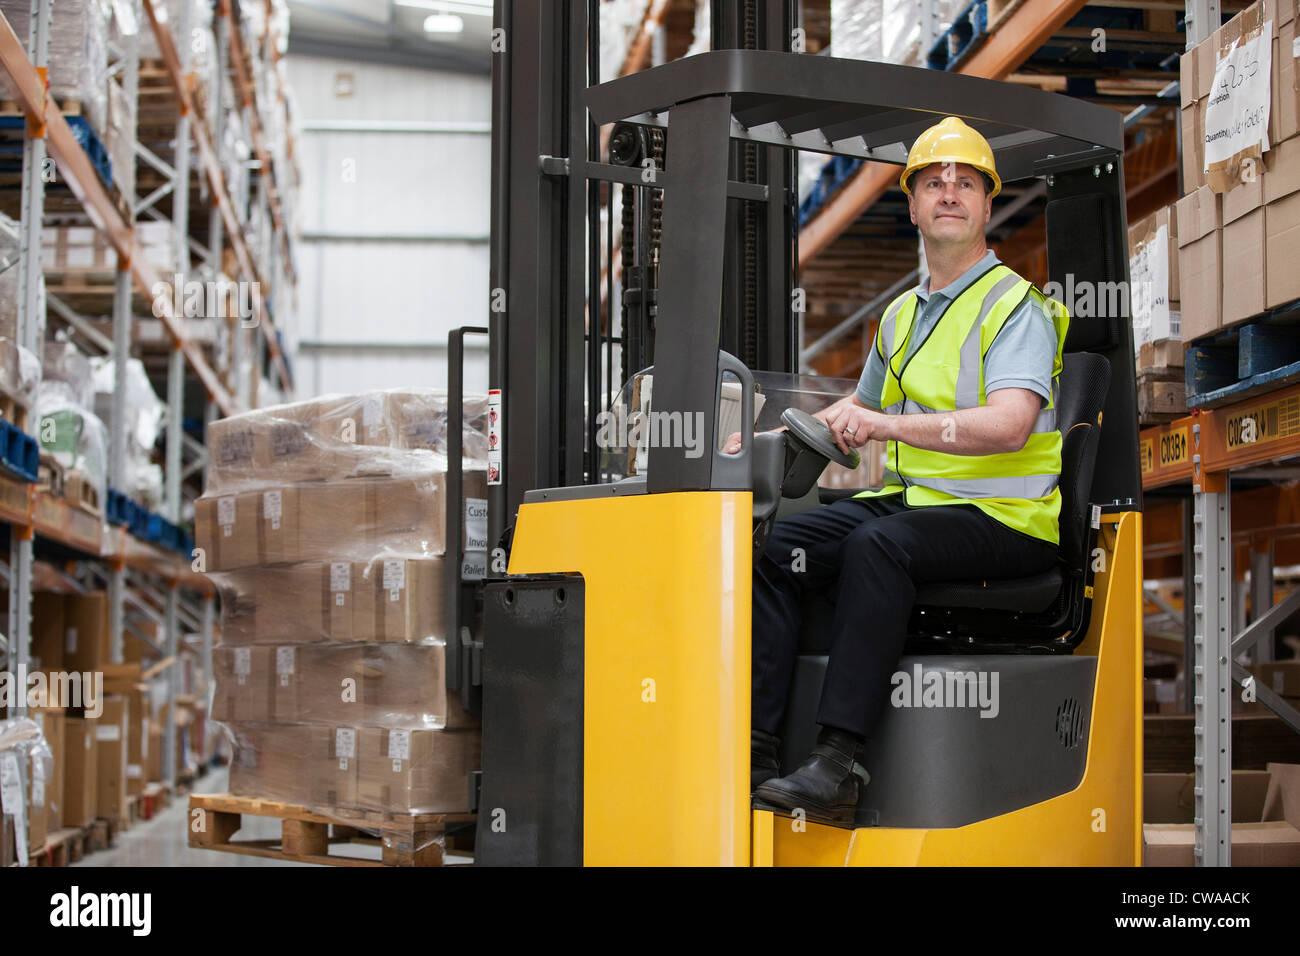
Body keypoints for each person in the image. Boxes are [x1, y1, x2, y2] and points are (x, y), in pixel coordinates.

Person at [730, 116, 1070, 827]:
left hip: (1010, 524)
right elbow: (860, 407)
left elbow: (1010, 425)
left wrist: (885, 425)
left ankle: (839, 760)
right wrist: (751, 441)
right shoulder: (902, 317)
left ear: (985, 205)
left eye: (967, 183)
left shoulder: (1016, 307)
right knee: (775, 550)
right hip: (921, 503)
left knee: (875, 546)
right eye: (934, 183)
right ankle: (757, 749)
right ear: (912, 205)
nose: (950, 193)